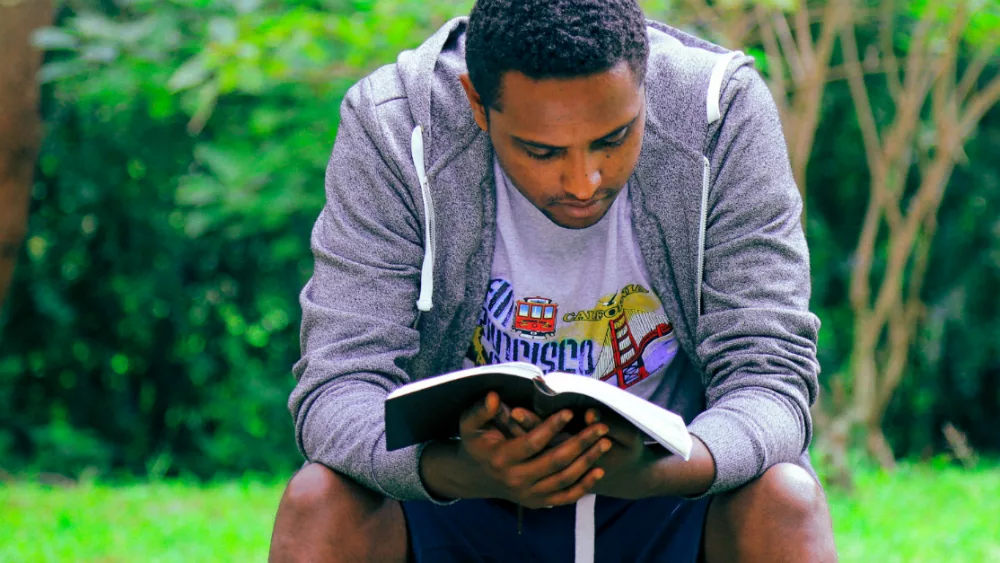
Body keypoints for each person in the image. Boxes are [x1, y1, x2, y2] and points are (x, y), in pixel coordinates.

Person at [269, 0, 838, 561]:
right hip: (456, 494)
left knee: (783, 499)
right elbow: (337, 388)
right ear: (476, 103)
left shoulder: (718, 112)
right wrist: (458, 470)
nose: (584, 180)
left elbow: (772, 378)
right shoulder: (395, 125)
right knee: (320, 500)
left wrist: (659, 470)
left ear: (647, 85)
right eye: (541, 151)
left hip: (671, 490)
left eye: (614, 139)